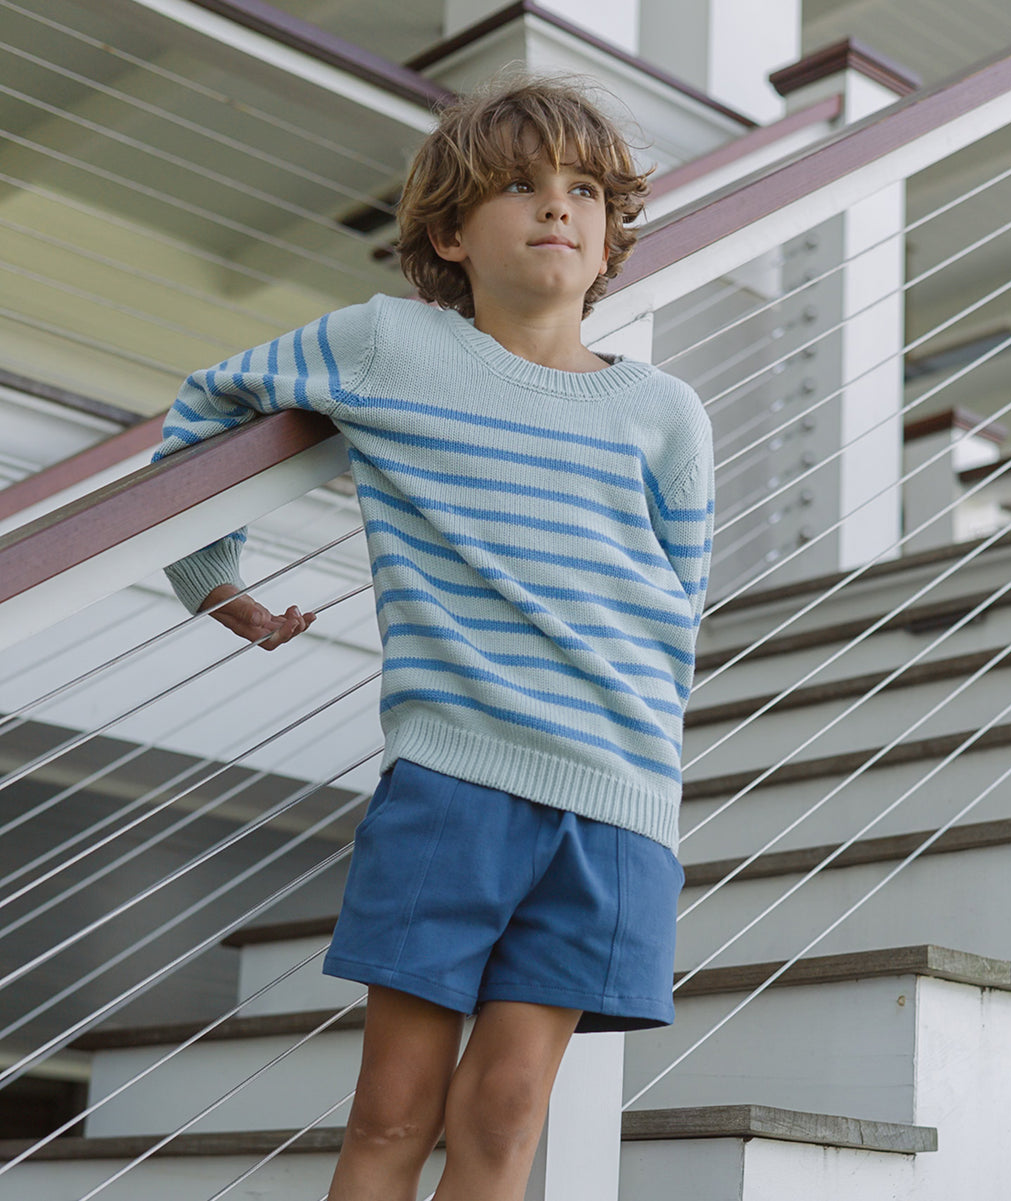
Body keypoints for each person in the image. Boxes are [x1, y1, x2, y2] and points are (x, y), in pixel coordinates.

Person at [154, 74, 714, 1201]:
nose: (558, 207)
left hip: (614, 796)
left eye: (584, 191)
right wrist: (219, 585)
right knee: (391, 1108)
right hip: (453, 778)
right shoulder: (387, 346)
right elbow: (208, 406)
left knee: (508, 1112)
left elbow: (677, 604)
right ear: (451, 233)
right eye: (519, 186)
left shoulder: (667, 412)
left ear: (609, 237)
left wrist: (649, 767)